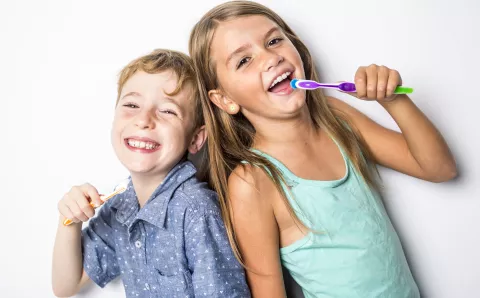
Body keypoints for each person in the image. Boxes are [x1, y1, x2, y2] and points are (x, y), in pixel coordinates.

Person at [188, 1, 457, 297]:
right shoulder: (253, 182)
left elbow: (439, 168)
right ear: (225, 100)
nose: (270, 58)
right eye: (244, 60)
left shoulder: (335, 117)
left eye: (274, 41)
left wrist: (393, 100)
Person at [51, 49, 251, 298]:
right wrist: (69, 221)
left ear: (196, 138)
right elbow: (66, 286)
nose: (144, 120)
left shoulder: (196, 211)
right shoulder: (121, 206)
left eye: (167, 111)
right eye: (132, 105)